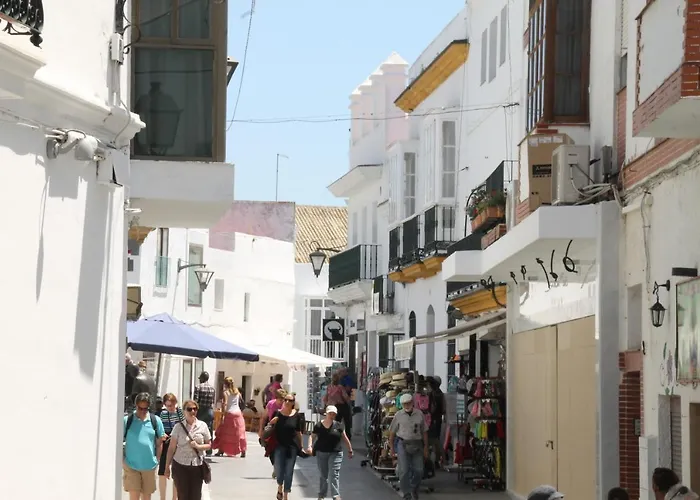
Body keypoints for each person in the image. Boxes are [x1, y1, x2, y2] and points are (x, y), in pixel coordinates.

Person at [164, 400, 212, 500]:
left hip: (197, 466)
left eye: (195, 409)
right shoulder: (178, 427)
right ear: (184, 411)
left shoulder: (203, 426)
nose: (192, 411)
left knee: (196, 496)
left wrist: (198, 447)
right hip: (180, 465)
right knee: (183, 495)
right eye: (189, 409)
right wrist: (167, 466)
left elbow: (209, 445)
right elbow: (171, 448)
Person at [123, 392, 166, 500]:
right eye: (140, 408)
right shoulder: (127, 420)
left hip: (149, 466)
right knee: (134, 497)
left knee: (147, 497)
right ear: (136, 405)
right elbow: (118, 441)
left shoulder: (155, 421)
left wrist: (157, 460)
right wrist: (122, 460)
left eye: (145, 409)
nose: (142, 411)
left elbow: (159, 442)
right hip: (131, 465)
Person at [307, 405, 353, 500]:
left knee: (334, 474)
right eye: (330, 413)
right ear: (326, 414)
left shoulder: (339, 425)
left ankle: (335, 495)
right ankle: (322, 494)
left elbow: (345, 438)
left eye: (334, 414)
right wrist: (309, 446)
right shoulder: (318, 425)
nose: (332, 415)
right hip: (321, 452)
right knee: (323, 475)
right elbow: (312, 436)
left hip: (336, 453)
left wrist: (350, 450)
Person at [388, 393, 428, 500]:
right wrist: (392, 449)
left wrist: (425, 447)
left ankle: (413, 487)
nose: (407, 405)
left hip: (417, 444)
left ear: (412, 402)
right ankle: (406, 493)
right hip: (403, 443)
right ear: (402, 405)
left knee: (419, 470)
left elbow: (424, 431)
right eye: (404, 404)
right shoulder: (398, 415)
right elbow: (392, 433)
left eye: (408, 403)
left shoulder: (419, 414)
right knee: (404, 470)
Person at [269, 393, 305, 500]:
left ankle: (285, 495)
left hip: (292, 447)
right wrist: (272, 422)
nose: (287, 402)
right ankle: (280, 486)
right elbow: (269, 427)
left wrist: (301, 446)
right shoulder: (277, 413)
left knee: (289, 471)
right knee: (279, 470)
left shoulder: (297, 416)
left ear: (293, 402)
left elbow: (298, 432)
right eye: (286, 400)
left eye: (290, 400)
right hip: (279, 446)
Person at [213, 377, 247, 457]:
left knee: (224, 433)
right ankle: (243, 450)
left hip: (230, 414)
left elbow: (225, 404)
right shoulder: (237, 392)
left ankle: (221, 450)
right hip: (238, 414)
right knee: (240, 433)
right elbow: (241, 402)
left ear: (225, 384)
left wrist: (223, 415)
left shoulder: (226, 393)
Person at [260, 388, 287, 477]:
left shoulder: (287, 405)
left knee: (282, 450)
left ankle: (279, 468)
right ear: (276, 398)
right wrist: (261, 430)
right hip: (272, 429)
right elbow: (264, 417)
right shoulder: (271, 404)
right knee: (270, 449)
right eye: (280, 399)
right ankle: (276, 467)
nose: (281, 401)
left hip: (283, 430)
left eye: (283, 399)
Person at [158, 394, 180, 500]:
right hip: (166, 441)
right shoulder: (163, 414)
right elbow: (160, 428)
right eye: (168, 406)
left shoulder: (180, 413)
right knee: (162, 470)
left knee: (176, 471)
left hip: (177, 441)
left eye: (172, 405)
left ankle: (174, 498)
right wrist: (162, 435)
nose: (170, 408)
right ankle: (162, 498)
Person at [193, 371, 215, 456]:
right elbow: (213, 401)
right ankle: (209, 449)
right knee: (209, 430)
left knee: (197, 429)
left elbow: (195, 400)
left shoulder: (198, 387)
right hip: (209, 411)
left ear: (202, 378)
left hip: (201, 411)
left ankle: (198, 446)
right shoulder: (212, 388)